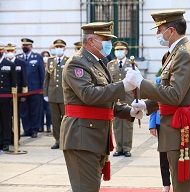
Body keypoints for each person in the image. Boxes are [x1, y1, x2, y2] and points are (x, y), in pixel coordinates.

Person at [124, 10, 190, 192]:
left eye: (159, 30)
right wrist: (147, 105)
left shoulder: (184, 54)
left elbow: (175, 95)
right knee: (180, 185)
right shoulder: (174, 53)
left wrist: (141, 83)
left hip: (185, 130)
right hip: (176, 129)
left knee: (186, 188)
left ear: (171, 31)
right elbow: (170, 92)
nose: (157, 35)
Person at [60, 21, 142, 192]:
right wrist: (124, 86)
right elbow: (89, 95)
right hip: (82, 136)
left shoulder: (98, 62)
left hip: (94, 136)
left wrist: (130, 111)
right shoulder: (77, 63)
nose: (109, 44)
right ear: (91, 41)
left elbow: (106, 100)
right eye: (104, 39)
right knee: (86, 188)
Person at [107, 41, 137, 157]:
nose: (119, 52)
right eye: (117, 50)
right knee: (117, 124)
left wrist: (137, 100)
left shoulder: (132, 64)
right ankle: (119, 147)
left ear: (126, 51)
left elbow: (137, 82)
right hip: (115, 97)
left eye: (121, 50)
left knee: (128, 123)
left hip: (128, 97)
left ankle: (127, 147)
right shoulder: (110, 64)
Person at [149, 55, 171, 192]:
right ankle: (166, 184)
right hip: (160, 122)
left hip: (176, 121)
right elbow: (153, 104)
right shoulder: (158, 81)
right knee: (163, 155)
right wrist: (151, 124)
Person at [17, 38, 45, 138]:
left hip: (35, 89)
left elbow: (42, 73)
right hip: (22, 91)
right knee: (24, 112)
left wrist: (42, 87)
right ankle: (27, 129)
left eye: (27, 45)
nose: (25, 47)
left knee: (35, 111)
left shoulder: (37, 57)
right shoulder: (18, 57)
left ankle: (34, 130)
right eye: (23, 45)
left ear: (31, 46)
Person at [44, 39, 68, 149]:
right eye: (56, 47)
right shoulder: (50, 61)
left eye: (60, 47)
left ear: (64, 48)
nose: (58, 49)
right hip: (52, 94)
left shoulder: (68, 60)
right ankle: (57, 140)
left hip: (64, 95)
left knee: (65, 119)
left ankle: (65, 140)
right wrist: (45, 94)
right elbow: (47, 79)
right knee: (55, 119)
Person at [5, 42, 28, 143]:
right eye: (8, 51)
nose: (10, 53)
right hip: (5, 94)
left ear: (15, 51)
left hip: (17, 94)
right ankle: (8, 136)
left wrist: (24, 93)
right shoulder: (4, 62)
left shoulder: (20, 62)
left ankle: (16, 138)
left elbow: (24, 77)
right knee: (6, 117)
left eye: (11, 51)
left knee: (16, 117)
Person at [0, 41, 17, 151]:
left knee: (6, 120)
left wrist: (13, 96)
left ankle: (6, 141)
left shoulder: (9, 64)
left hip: (5, 97)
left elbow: (13, 82)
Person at [40, 51, 52, 133]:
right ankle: (40, 126)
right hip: (39, 92)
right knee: (40, 111)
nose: (45, 57)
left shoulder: (50, 67)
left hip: (48, 92)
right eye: (44, 56)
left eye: (47, 56)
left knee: (48, 111)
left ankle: (48, 126)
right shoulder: (39, 66)